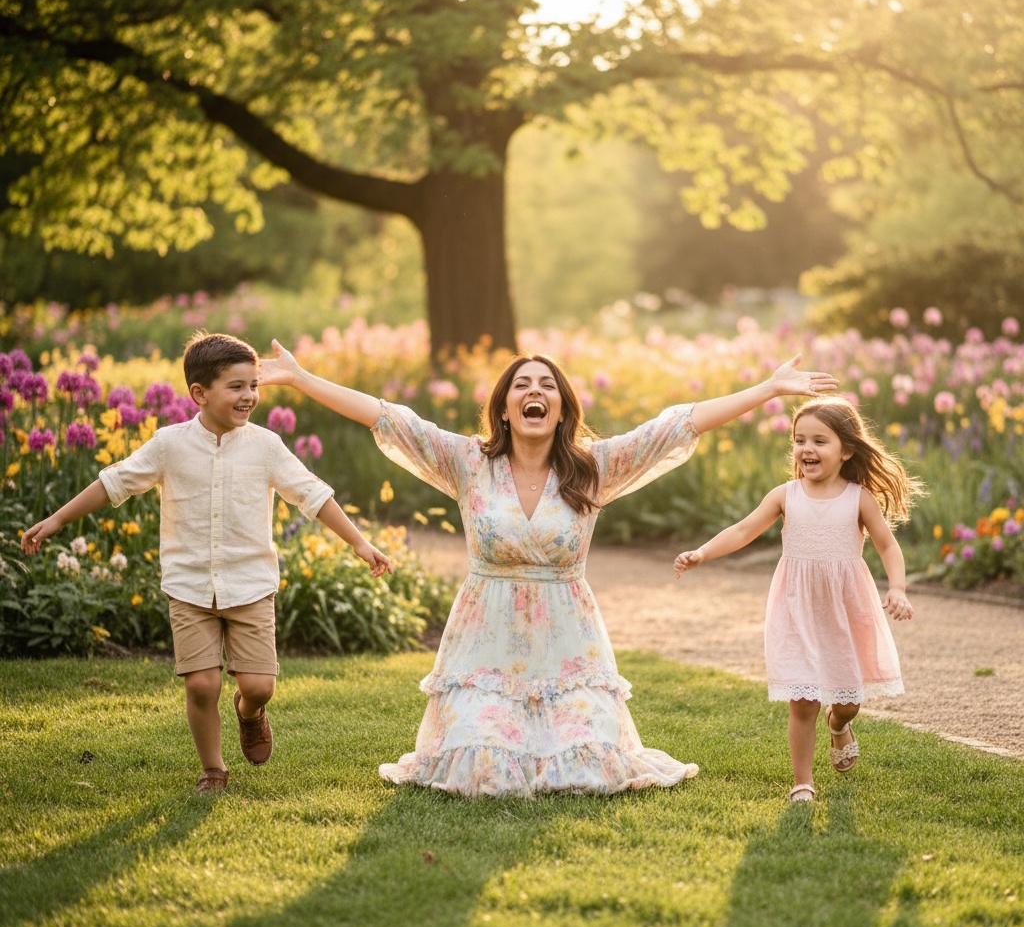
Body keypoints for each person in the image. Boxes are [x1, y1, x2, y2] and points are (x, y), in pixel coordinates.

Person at [260, 339, 838, 798]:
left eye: (546, 385)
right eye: (521, 385)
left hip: (569, 648)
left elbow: (676, 426)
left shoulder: (594, 467)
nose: (534, 392)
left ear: (561, 407)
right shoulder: (467, 463)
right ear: (505, 408)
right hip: (484, 646)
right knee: (481, 767)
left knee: (588, 767)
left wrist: (766, 389)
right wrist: (301, 379)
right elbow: (389, 418)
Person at [21, 331, 392, 794]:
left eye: (253, 385)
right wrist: (55, 520)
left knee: (260, 685)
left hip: (251, 584)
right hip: (190, 585)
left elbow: (312, 494)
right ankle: (213, 769)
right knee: (200, 685)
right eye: (237, 386)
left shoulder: (266, 446)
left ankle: (249, 712)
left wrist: (360, 543)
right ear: (200, 393)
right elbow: (114, 483)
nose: (250, 396)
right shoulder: (169, 445)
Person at [674, 396, 924, 803]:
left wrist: (897, 588)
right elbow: (742, 531)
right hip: (797, 608)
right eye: (799, 440)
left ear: (846, 450)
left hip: (845, 609)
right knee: (803, 702)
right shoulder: (785, 495)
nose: (807, 449)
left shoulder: (858, 498)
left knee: (848, 700)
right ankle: (803, 781)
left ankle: (839, 726)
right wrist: (701, 553)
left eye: (819, 441)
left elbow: (887, 546)